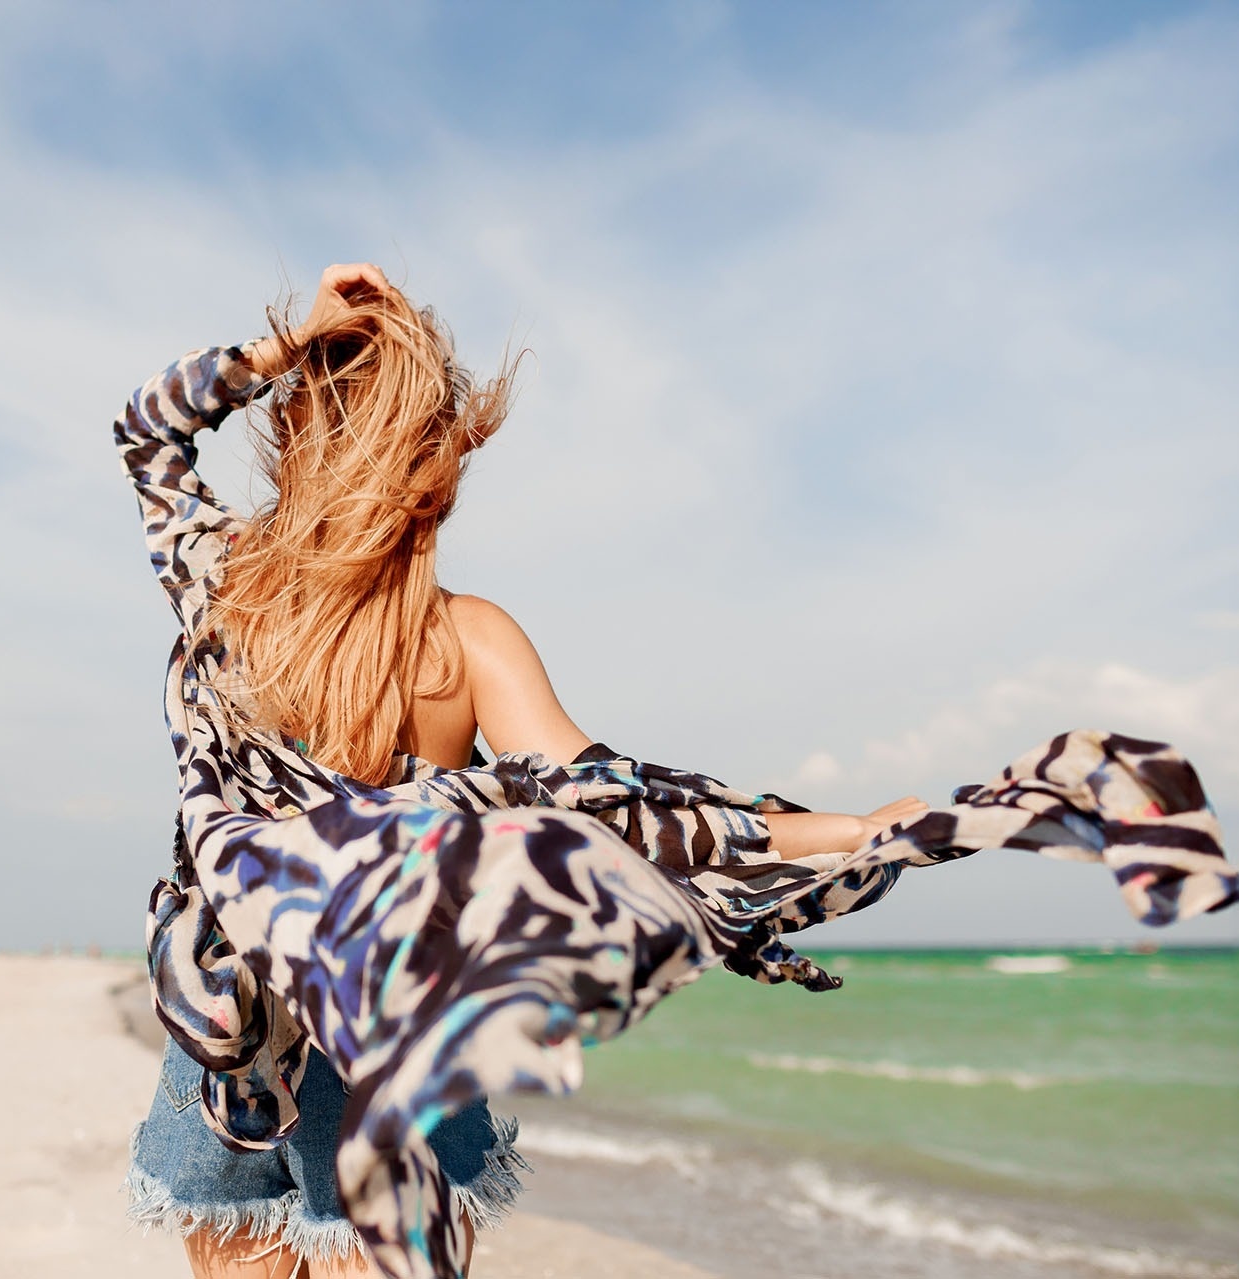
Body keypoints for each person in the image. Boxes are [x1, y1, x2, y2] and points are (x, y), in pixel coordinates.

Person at [118, 263, 931, 1278]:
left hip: (227, 1030)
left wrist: (292, 340)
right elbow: (625, 810)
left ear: (293, 438)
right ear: (433, 467)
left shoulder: (225, 591)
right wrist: (841, 832)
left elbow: (145, 431)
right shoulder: (466, 642)